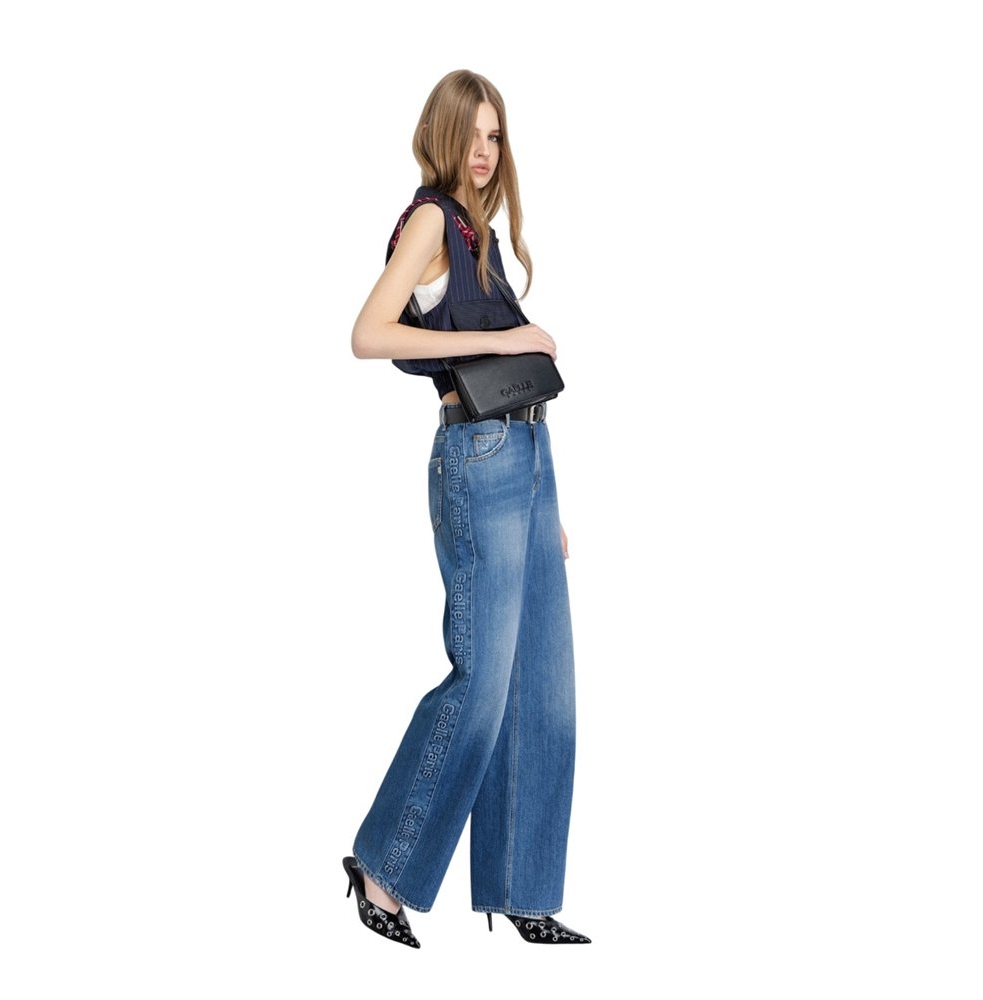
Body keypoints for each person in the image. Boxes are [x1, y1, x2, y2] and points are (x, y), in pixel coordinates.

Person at [343, 69, 590, 948]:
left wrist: (546, 505)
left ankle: (523, 886)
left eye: (496, 137)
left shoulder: (478, 232)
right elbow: (368, 334)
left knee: (545, 691)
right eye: (473, 134)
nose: (486, 152)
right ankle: (383, 866)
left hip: (528, 461)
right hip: (477, 459)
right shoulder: (430, 221)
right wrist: (503, 335)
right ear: (443, 134)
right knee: (482, 684)